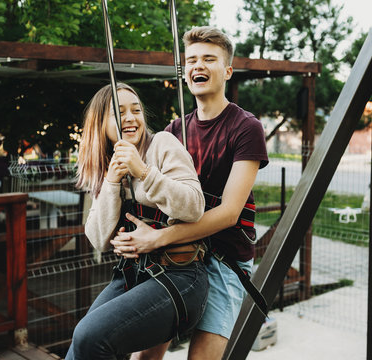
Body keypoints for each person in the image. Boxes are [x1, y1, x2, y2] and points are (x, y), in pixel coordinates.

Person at [111, 27, 269, 360]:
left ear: (227, 70)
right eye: (192, 60)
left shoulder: (246, 128)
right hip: (177, 254)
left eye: (209, 59)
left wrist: (159, 238)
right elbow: (153, 193)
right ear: (185, 75)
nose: (199, 65)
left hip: (223, 257)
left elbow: (229, 212)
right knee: (146, 356)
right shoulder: (173, 131)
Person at [65, 82, 209, 360]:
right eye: (119, 113)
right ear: (101, 125)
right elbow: (97, 239)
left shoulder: (163, 144)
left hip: (180, 276)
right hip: (134, 275)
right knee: (79, 342)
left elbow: (194, 206)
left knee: (90, 336)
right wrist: (111, 182)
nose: (131, 118)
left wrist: (143, 172)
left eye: (136, 110)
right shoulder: (110, 165)